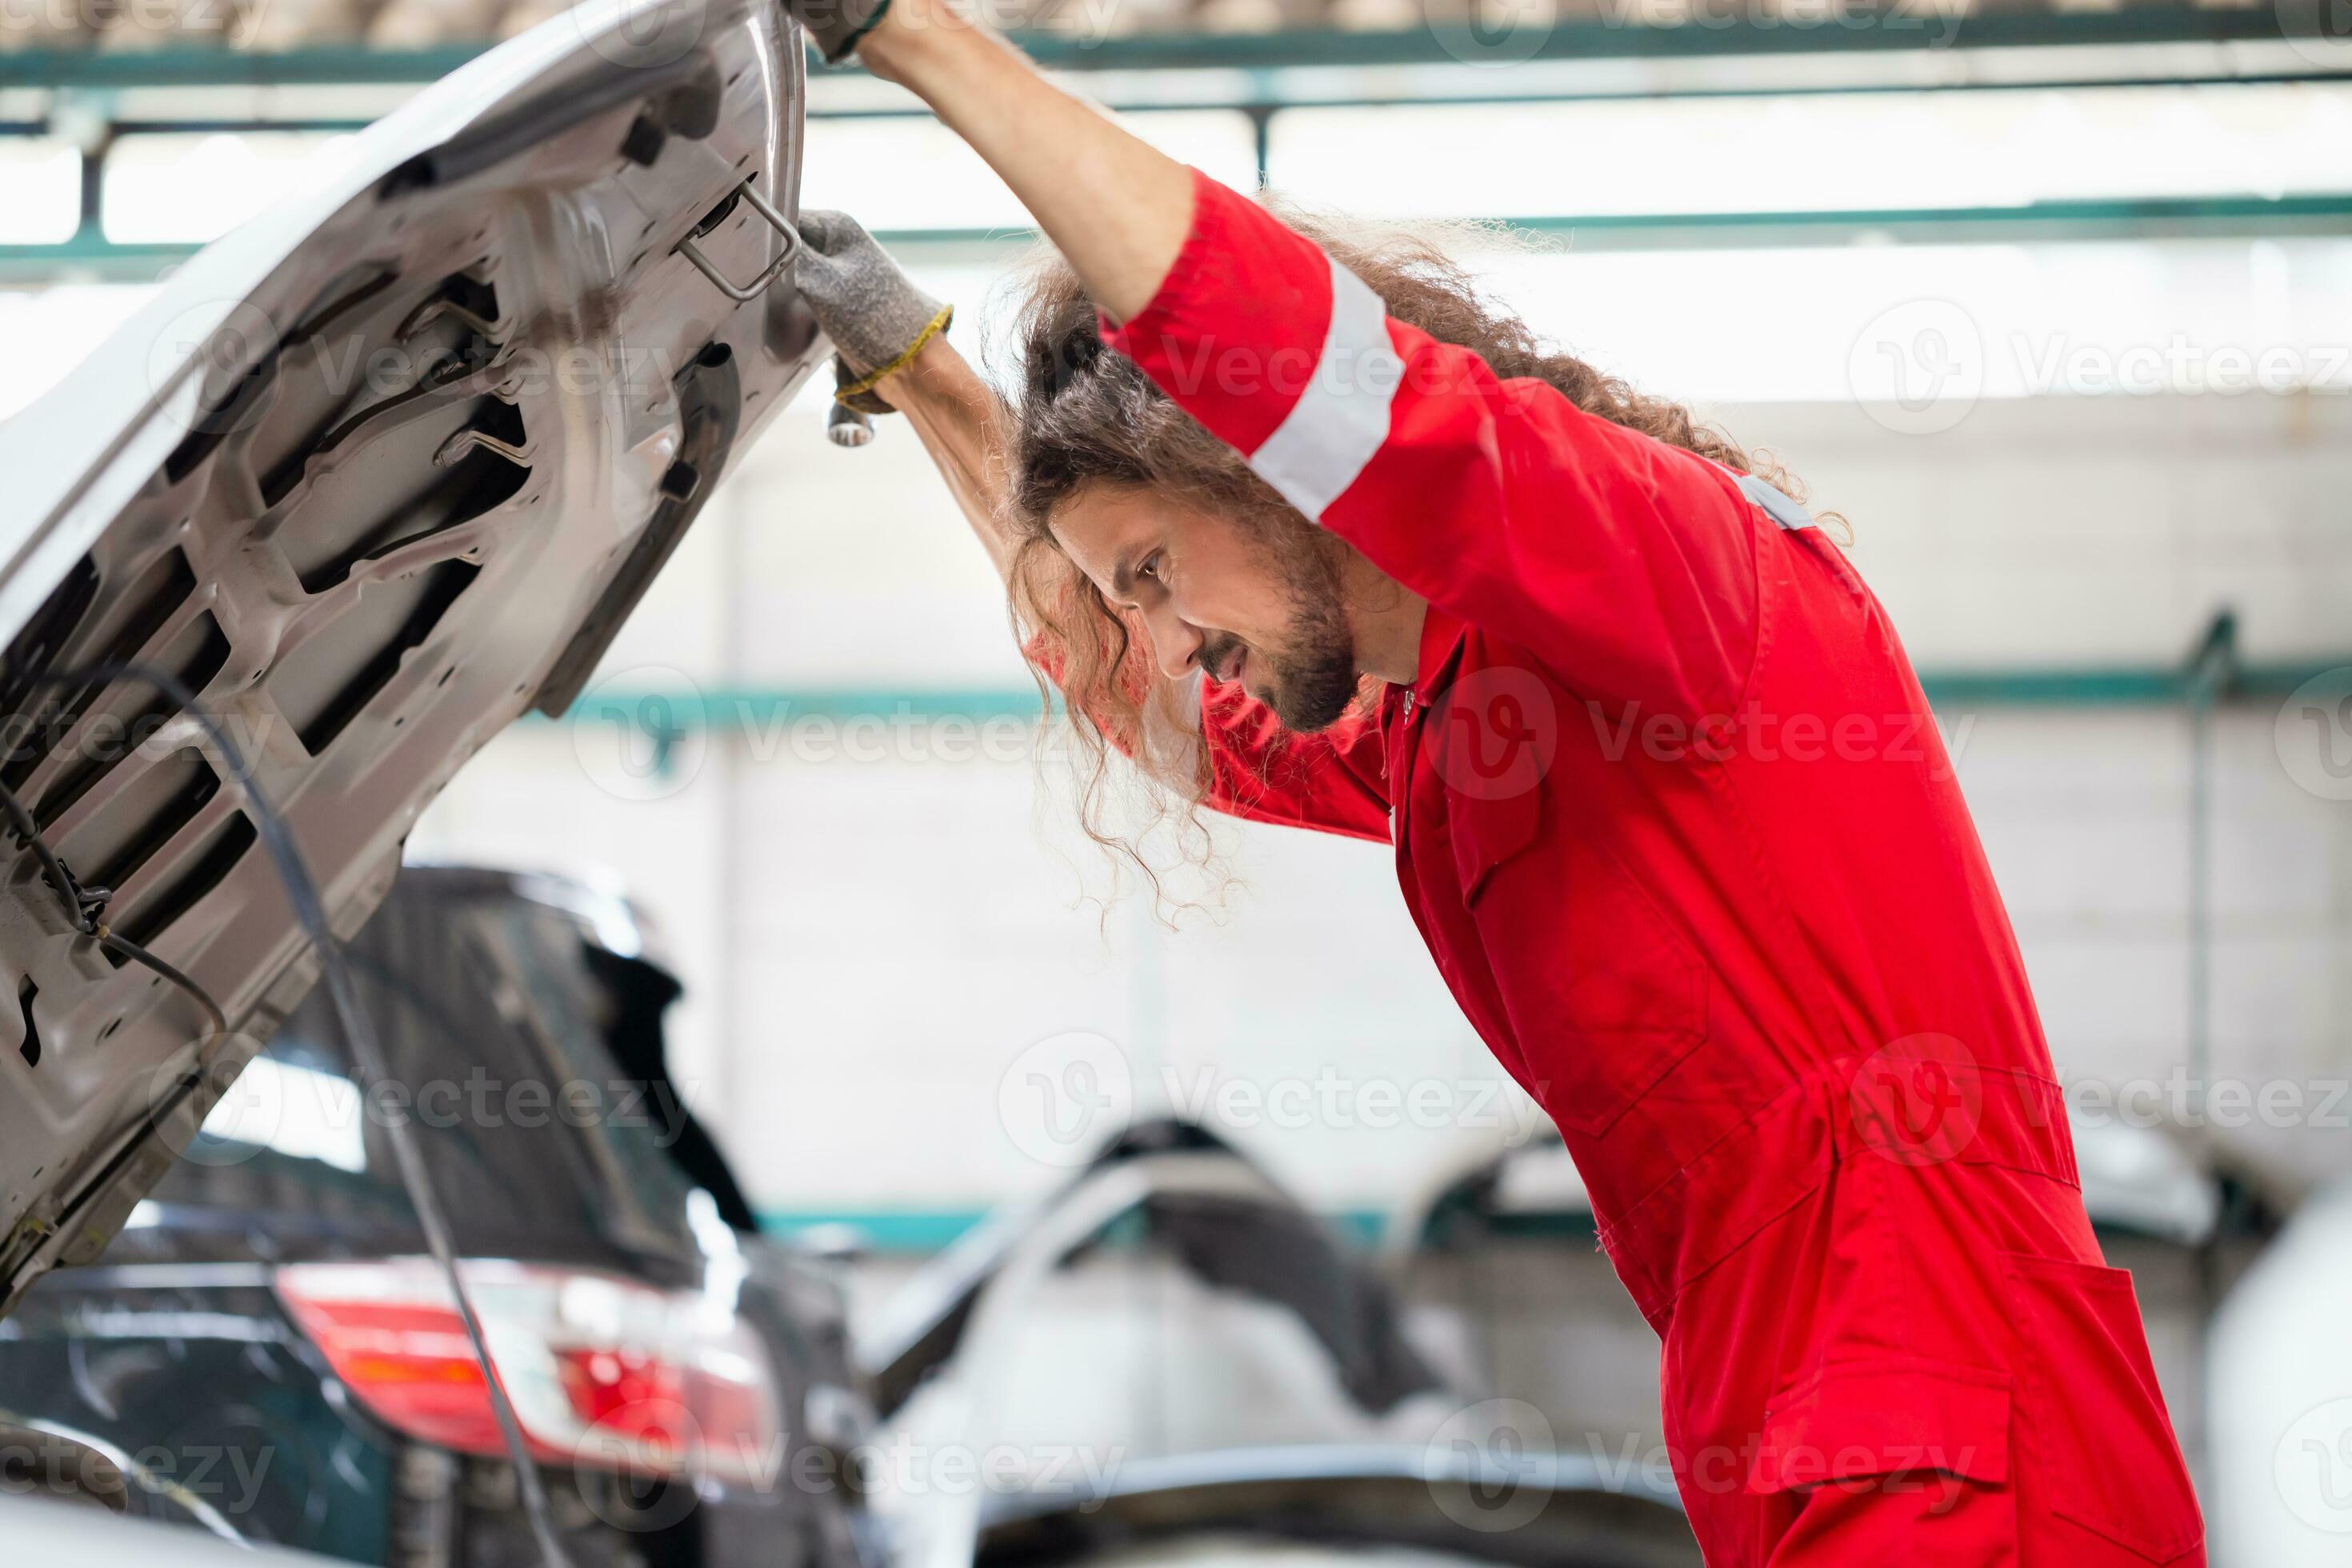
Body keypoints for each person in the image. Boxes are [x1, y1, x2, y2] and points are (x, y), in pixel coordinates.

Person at [783, 2, 2209, 1562]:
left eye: (1152, 568)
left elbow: (1340, 390)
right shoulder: (1462, 722)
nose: (1171, 639)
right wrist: (920, 371)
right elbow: (1179, 716)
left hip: (1965, 1449)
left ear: (1254, 460)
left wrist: (907, 35)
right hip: (1810, 1441)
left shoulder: (1676, 575)